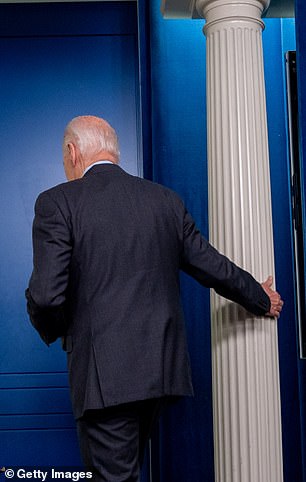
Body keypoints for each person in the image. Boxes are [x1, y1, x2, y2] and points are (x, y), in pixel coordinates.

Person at [26, 115, 283, 482]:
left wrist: (56, 332)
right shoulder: (164, 200)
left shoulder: (58, 203)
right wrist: (260, 296)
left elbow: (47, 297)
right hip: (161, 372)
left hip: (105, 380)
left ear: (72, 152)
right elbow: (210, 265)